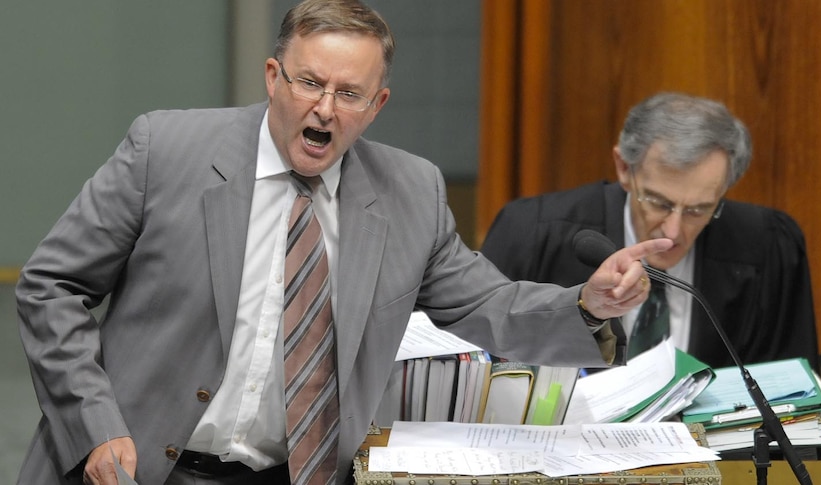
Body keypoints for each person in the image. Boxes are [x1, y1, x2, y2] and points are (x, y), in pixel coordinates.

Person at [15, 1, 672, 484]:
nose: (325, 108)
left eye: (349, 93)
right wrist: (96, 425)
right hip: (129, 465)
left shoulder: (409, 191)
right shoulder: (167, 148)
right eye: (309, 82)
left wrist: (588, 303)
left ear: (377, 104)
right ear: (273, 76)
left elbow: (487, 306)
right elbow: (52, 287)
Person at [481, 92, 819, 370]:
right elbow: (476, 362)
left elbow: (793, 400)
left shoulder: (768, 246)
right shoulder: (534, 232)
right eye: (658, 202)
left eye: (699, 209)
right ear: (624, 169)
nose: (673, 232)